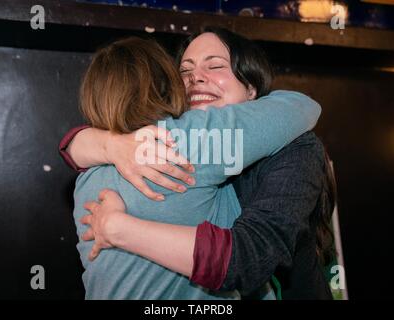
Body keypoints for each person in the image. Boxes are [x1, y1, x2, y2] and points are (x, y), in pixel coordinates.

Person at [61, 27, 333, 299]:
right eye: (184, 71)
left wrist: (117, 228)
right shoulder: (183, 140)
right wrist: (109, 144)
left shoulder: (295, 146)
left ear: (251, 89)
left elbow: (247, 260)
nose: (195, 78)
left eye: (215, 66)